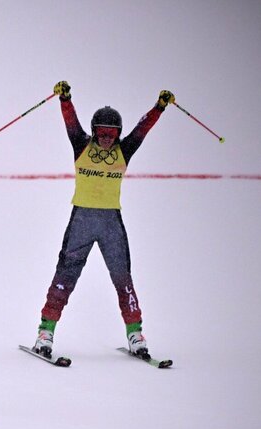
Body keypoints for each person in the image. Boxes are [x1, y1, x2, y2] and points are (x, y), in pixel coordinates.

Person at [33, 81, 175, 359]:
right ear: (94, 131)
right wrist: (65, 99)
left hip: (111, 222)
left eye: (112, 133)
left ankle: (135, 333)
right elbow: (70, 122)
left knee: (122, 277)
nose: (107, 138)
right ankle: (45, 332)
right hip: (82, 220)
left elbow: (142, 129)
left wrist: (159, 107)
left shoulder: (125, 150)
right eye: (102, 132)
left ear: (118, 134)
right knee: (66, 275)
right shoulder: (81, 145)